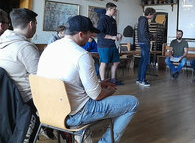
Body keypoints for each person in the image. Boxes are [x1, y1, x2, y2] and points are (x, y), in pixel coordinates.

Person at [37, 15, 138, 143]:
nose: (91, 38)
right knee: (132, 102)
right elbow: (96, 95)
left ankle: (80, 134)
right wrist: (110, 91)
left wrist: (98, 83)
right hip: (74, 114)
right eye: (89, 35)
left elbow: (67, 82)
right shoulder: (82, 55)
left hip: (48, 110)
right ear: (80, 34)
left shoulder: (49, 48)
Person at [0, 8, 41, 141]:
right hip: (25, 103)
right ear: (31, 24)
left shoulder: (2, 43)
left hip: (6, 101)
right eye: (36, 23)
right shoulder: (25, 48)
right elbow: (42, 80)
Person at [97, 2, 123, 85]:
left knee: (116, 62)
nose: (115, 11)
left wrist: (118, 34)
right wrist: (112, 37)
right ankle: (103, 81)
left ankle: (113, 79)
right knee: (104, 63)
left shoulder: (113, 20)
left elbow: (112, 32)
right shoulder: (102, 20)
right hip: (104, 45)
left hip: (112, 45)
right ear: (109, 9)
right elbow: (100, 33)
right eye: (114, 10)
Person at [136, 7, 156, 87]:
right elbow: (144, 32)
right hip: (144, 43)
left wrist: (150, 35)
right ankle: (143, 80)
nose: (153, 16)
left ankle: (139, 79)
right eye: (153, 14)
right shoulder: (144, 20)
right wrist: (152, 36)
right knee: (145, 61)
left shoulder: (142, 19)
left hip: (142, 42)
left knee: (142, 61)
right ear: (150, 14)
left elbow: (143, 31)